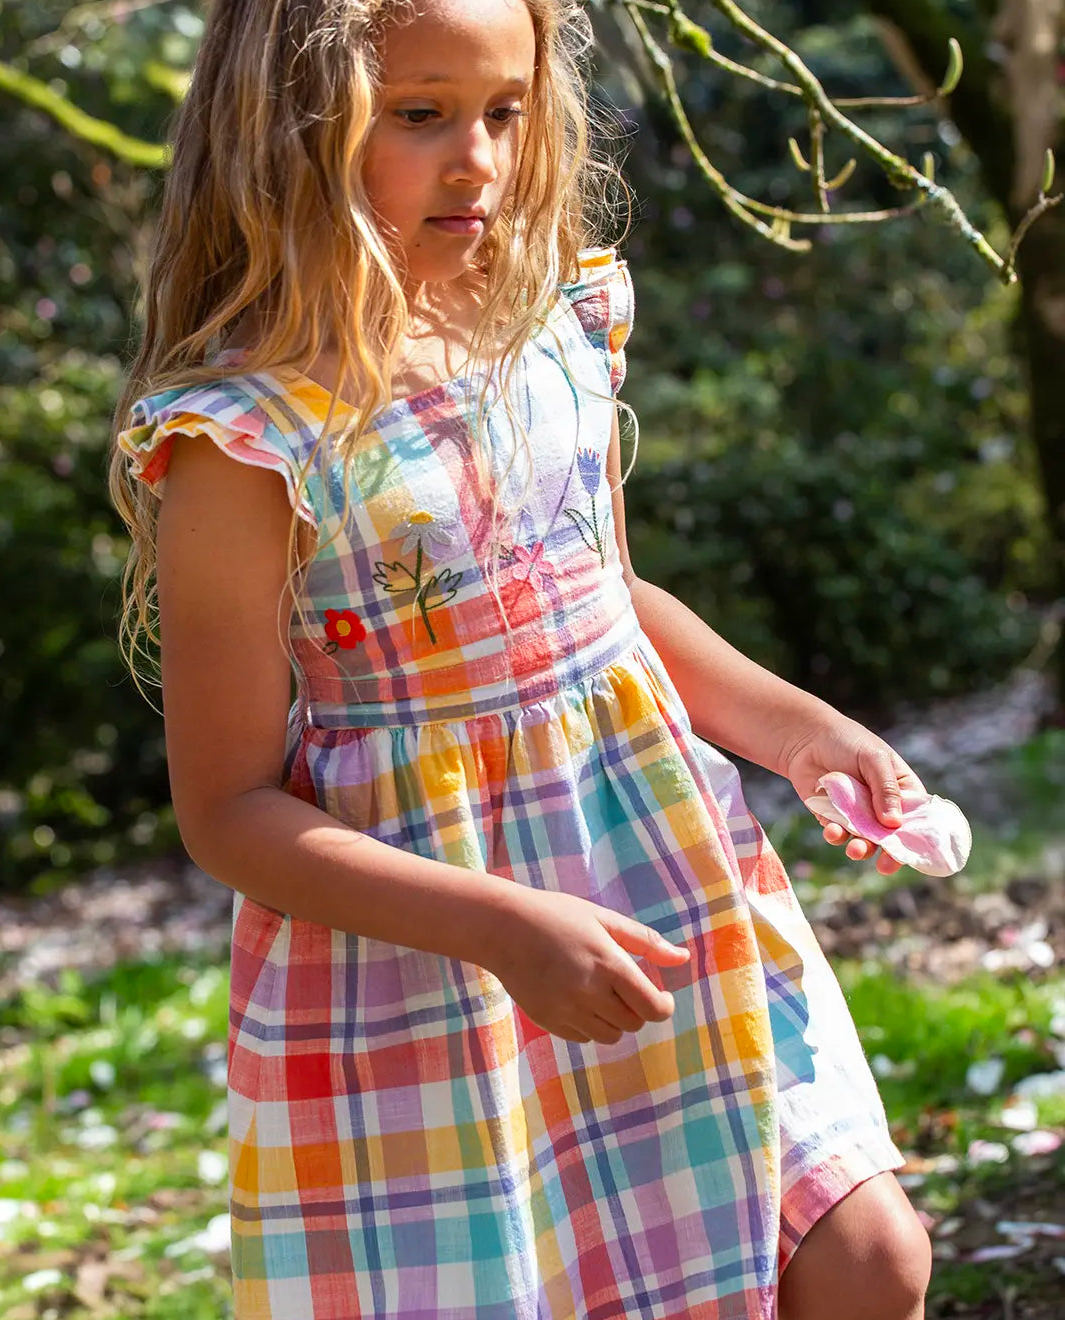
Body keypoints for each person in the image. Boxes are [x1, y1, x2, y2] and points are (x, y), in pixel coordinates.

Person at [109, 1, 934, 1315]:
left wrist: (800, 732)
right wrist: (502, 927)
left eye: (505, 111)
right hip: (431, 972)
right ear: (291, 130)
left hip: (666, 886)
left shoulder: (557, 321)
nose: (480, 159)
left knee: (869, 1257)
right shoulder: (247, 440)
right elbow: (228, 811)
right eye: (420, 115)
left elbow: (608, 603)